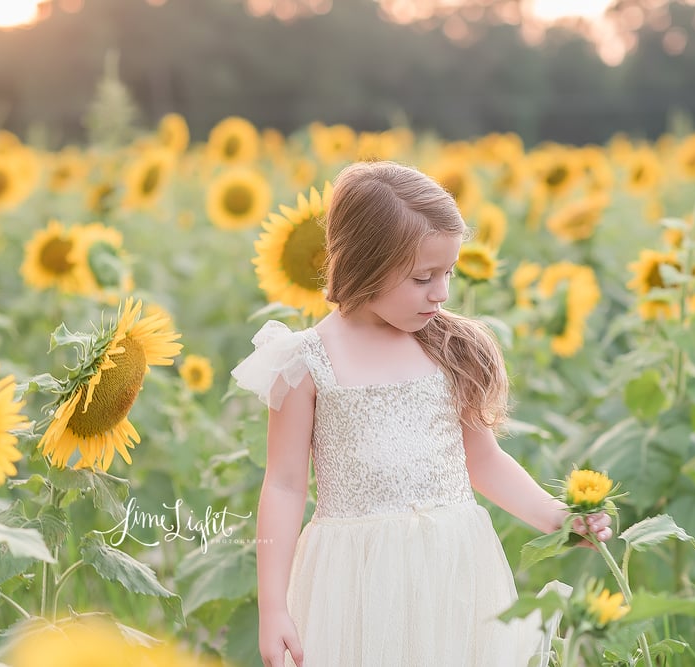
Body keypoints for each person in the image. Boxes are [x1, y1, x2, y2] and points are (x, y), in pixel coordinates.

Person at [231, 161, 613, 667]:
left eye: (448, 272)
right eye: (422, 277)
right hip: (356, 583)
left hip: (452, 570)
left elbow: (483, 460)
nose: (442, 292)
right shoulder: (304, 363)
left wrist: (556, 516)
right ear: (364, 265)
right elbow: (283, 485)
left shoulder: (450, 347)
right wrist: (273, 607)